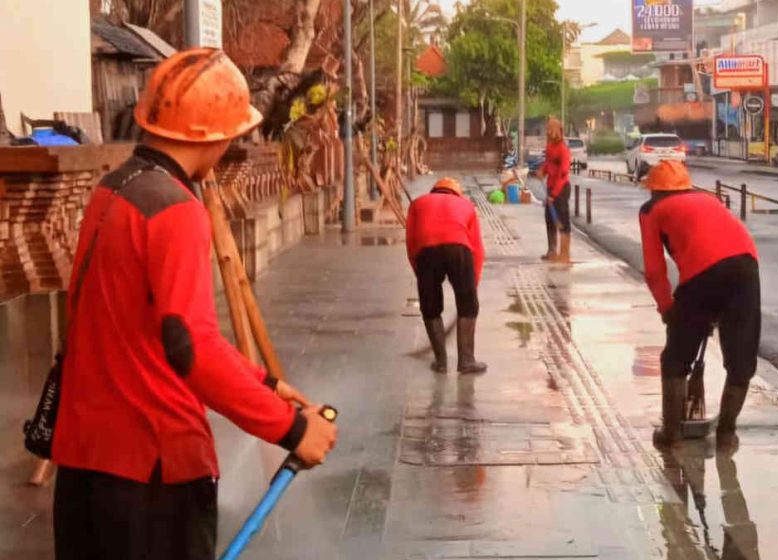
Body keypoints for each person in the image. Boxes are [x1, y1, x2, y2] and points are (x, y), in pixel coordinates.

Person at [51, 48, 337, 560]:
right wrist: (291, 429)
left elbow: (160, 331)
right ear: (214, 136)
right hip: (152, 480)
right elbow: (191, 348)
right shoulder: (177, 211)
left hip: (83, 469)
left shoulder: (111, 191)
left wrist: (266, 386)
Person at [638, 160, 760, 449]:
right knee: (740, 361)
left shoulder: (652, 210)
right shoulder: (708, 199)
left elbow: (655, 270)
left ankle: (672, 435)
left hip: (702, 274)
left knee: (676, 359)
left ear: (655, 191)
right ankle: (727, 436)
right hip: (746, 266)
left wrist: (667, 309)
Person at [406, 177, 487, 374]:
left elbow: (411, 242)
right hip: (458, 249)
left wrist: (421, 274)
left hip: (426, 251)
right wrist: (472, 285)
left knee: (431, 307)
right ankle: (466, 361)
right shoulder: (466, 205)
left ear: (434, 191)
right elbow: (477, 248)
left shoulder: (418, 203)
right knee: (468, 306)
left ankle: (441, 362)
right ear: (456, 193)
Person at [537, 117, 572, 262]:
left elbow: (563, 174)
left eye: (551, 128)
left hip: (561, 189)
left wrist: (554, 195)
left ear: (557, 130)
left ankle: (564, 253)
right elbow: (548, 164)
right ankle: (552, 250)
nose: (548, 131)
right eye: (548, 128)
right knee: (550, 220)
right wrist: (542, 171)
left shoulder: (563, 150)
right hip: (551, 187)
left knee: (562, 221)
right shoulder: (550, 147)